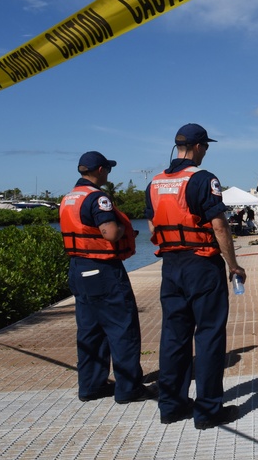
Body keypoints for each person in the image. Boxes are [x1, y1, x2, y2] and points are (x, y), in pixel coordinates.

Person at [146, 124, 246, 430]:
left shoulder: (155, 182)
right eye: (206, 147)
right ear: (199, 146)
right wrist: (233, 265)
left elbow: (152, 229)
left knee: (173, 338)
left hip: (171, 266)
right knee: (209, 336)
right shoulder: (203, 179)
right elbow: (219, 226)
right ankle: (207, 412)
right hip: (202, 264)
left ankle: (171, 406)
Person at [60, 151, 156, 404]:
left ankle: (91, 386)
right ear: (100, 170)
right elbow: (110, 233)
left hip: (78, 268)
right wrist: (126, 229)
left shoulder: (69, 197)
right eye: (108, 169)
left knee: (90, 331)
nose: (109, 174)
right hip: (102, 270)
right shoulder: (97, 198)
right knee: (122, 329)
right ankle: (129, 389)